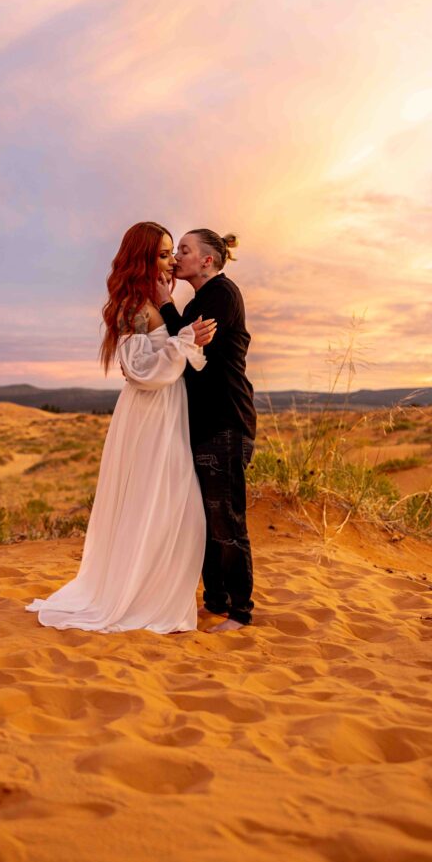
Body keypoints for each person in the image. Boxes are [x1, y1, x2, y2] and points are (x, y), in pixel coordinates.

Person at [25, 221, 216, 634]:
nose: (170, 261)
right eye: (163, 253)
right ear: (143, 257)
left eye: (172, 253)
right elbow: (141, 370)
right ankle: (140, 599)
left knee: (175, 510)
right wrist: (184, 341)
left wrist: (186, 339)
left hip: (169, 411)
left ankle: (157, 594)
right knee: (157, 505)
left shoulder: (155, 301)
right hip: (150, 413)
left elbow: (170, 357)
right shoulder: (133, 305)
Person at [156, 229, 256, 633]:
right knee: (205, 519)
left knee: (226, 520)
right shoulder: (201, 297)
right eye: (175, 250)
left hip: (225, 424)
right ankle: (216, 600)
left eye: (185, 250)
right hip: (205, 426)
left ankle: (240, 612)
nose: (177, 257)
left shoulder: (222, 294)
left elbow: (188, 343)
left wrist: (164, 302)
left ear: (208, 261)